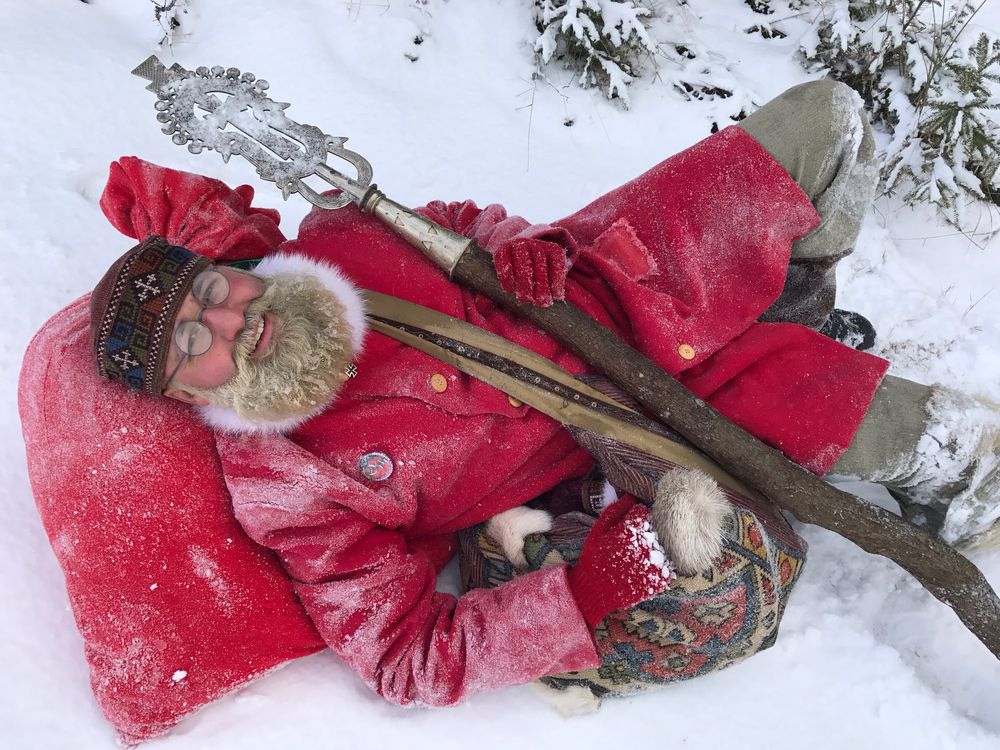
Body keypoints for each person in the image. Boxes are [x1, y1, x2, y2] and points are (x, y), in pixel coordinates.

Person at [86, 80, 999, 706]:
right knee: (957, 447)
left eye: (210, 293)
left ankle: (796, 306)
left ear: (226, 269)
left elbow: (462, 225)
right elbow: (404, 659)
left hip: (626, 275)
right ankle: (847, 395)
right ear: (178, 391)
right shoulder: (290, 487)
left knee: (826, 123)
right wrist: (582, 594)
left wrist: (524, 248)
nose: (231, 323)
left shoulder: (340, 234)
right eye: (192, 347)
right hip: (648, 420)